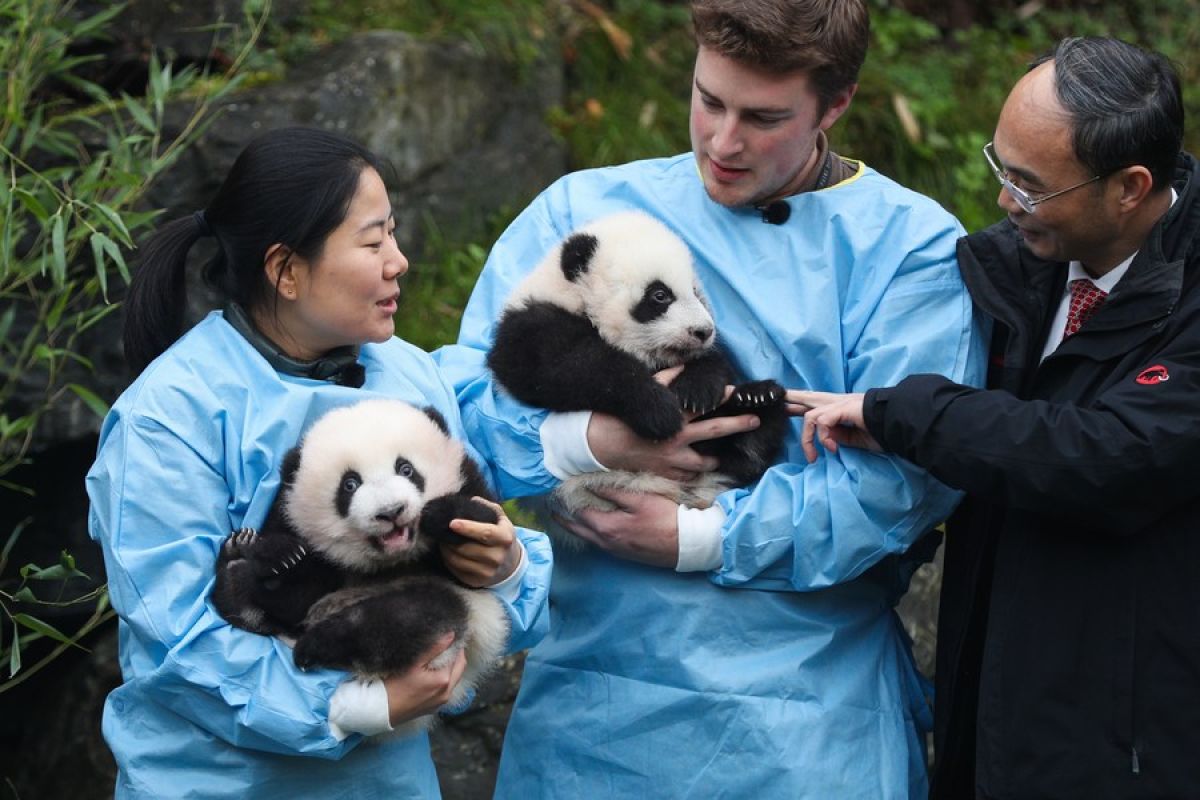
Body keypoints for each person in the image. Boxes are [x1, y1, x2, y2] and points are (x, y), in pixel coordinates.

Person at [434, 1, 985, 795]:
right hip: (595, 707)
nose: (723, 142)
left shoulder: (908, 254)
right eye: (709, 100)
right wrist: (590, 441)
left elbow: (902, 480)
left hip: (803, 720)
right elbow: (463, 415)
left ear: (837, 104)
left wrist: (703, 536)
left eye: (763, 118)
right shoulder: (585, 214)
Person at [86, 126, 553, 798]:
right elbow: (179, 643)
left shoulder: (407, 374)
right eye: (373, 241)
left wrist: (504, 568)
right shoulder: (168, 419)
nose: (400, 261)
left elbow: (490, 569)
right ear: (287, 269)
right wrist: (357, 706)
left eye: (393, 233)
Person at [795, 36, 1200, 799]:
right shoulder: (1014, 270)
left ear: (1129, 187)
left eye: (1030, 185)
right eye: (999, 165)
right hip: (990, 713)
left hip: (1129, 752)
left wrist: (905, 411)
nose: (1004, 200)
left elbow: (1106, 455)